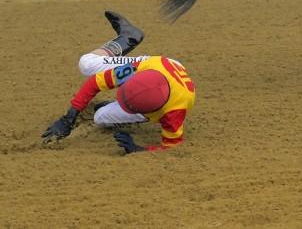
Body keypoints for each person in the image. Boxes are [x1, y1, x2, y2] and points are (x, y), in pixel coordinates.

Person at [41, 11, 196, 154]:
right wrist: (68, 118)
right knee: (86, 64)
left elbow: (172, 146)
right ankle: (128, 37)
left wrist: (139, 149)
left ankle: (123, 108)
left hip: (170, 94)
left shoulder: (173, 113)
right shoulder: (139, 68)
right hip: (158, 67)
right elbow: (96, 82)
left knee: (100, 117)